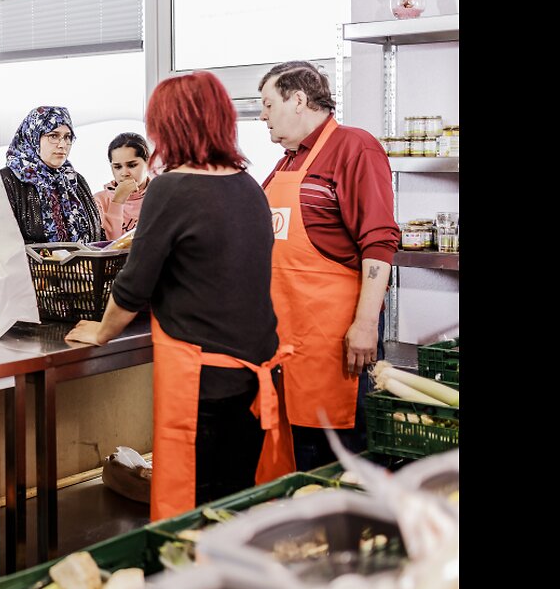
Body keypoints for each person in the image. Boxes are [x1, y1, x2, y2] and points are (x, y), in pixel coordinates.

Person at [65, 72, 295, 521]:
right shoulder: (247, 185)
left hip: (203, 383)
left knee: (196, 520)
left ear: (170, 127)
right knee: (239, 509)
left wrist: (102, 331)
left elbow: (134, 285)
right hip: (255, 378)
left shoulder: (172, 188)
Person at [257, 61, 399, 470]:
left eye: (268, 104)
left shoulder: (355, 147)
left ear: (298, 100)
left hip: (339, 342)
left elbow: (379, 240)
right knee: (301, 462)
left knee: (345, 464)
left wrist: (366, 324)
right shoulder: (286, 162)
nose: (262, 115)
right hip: (289, 341)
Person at [0, 106, 105, 244]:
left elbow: (98, 236)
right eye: (54, 136)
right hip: (31, 266)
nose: (63, 145)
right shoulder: (8, 180)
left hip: (84, 265)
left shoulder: (75, 180)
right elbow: (2, 243)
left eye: (67, 137)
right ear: (33, 136)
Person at [94, 132, 153, 240]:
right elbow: (107, 246)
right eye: (117, 167)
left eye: (132, 165)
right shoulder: (99, 201)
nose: (124, 173)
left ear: (148, 162)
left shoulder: (161, 196)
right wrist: (117, 201)